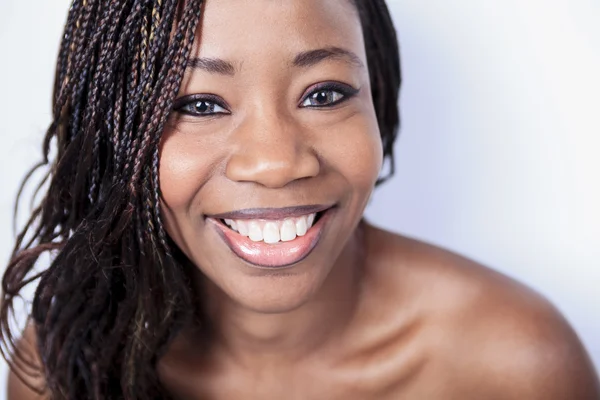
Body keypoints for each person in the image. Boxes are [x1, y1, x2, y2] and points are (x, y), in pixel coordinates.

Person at [2, 0, 599, 398]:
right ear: (113, 134)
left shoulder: (513, 362)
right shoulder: (67, 360)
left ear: (379, 99)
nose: (276, 162)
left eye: (325, 93)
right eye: (199, 103)